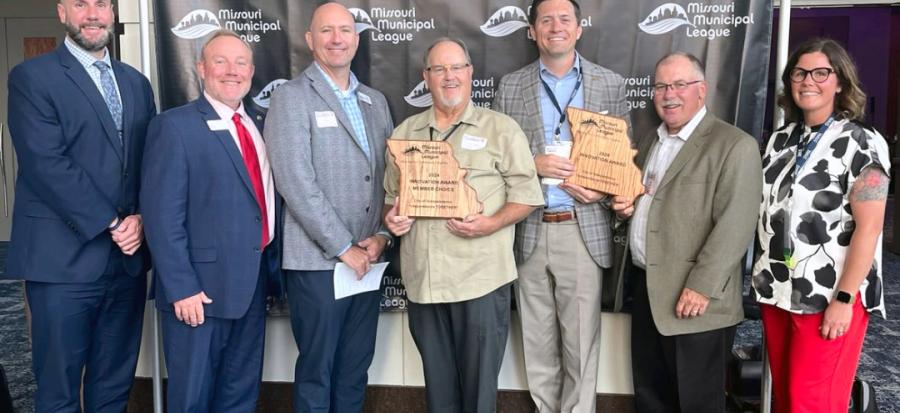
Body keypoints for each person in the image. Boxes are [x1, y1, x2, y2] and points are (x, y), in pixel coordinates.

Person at [3, 0, 156, 411]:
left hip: (126, 263)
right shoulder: (32, 77)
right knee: (59, 390)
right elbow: (46, 163)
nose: (93, 13)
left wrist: (141, 217)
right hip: (61, 262)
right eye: (80, 3)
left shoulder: (137, 83)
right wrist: (112, 222)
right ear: (62, 12)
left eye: (102, 3)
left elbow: (151, 163)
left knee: (113, 385)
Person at [383, 38, 544, 413]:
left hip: (480, 281)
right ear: (427, 77)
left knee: (477, 392)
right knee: (438, 391)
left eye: (457, 68)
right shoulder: (405, 133)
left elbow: (527, 195)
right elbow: (391, 199)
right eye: (439, 69)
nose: (449, 76)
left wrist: (492, 223)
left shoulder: (500, 129)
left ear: (470, 73)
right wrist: (392, 217)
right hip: (425, 282)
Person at [492, 0, 630, 410]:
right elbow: (496, 162)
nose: (556, 27)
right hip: (529, 227)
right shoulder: (510, 86)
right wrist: (532, 164)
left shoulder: (610, 84)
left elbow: (623, 160)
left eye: (564, 19)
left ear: (579, 28)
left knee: (581, 347)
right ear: (532, 31)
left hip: (582, 228)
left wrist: (603, 190)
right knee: (536, 344)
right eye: (546, 20)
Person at [614, 52, 762, 412]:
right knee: (652, 398)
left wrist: (701, 286)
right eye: (661, 86)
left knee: (694, 403)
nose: (669, 94)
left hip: (695, 301)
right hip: (647, 291)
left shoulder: (734, 145)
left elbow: (735, 224)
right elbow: (651, 204)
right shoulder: (652, 140)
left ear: (702, 90)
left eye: (680, 84)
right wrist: (626, 209)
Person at [264, 3, 394, 411]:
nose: (337, 39)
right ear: (310, 40)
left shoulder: (375, 101)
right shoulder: (291, 98)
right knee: (317, 371)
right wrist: (343, 246)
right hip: (320, 263)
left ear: (356, 38)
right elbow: (295, 183)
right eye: (326, 31)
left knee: (355, 368)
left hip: (368, 261)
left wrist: (381, 237)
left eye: (345, 30)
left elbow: (391, 177)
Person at [141, 30, 280, 412]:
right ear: (201, 68)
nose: (231, 71)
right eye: (220, 61)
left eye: (240, 63)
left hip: (251, 286)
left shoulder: (258, 124)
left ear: (252, 72)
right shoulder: (175, 126)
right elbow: (161, 214)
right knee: (192, 398)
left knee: (239, 394)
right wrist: (181, 286)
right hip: (198, 293)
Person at [752, 38, 890, 413]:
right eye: (799, 72)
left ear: (840, 82)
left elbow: (869, 227)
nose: (807, 80)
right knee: (786, 398)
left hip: (829, 294)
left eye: (820, 73)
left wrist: (845, 299)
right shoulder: (781, 140)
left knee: (812, 403)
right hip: (777, 288)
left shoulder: (861, 141)